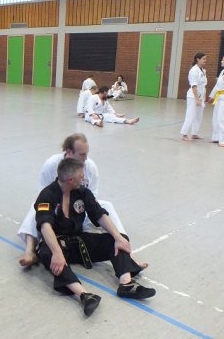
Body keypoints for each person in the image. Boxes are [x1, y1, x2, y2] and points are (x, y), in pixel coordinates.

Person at [34, 158, 155, 316]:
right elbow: (45, 226)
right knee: (46, 253)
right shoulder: (47, 196)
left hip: (77, 241)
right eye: (81, 176)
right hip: (56, 243)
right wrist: (57, 253)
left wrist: (118, 237)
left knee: (117, 239)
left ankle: (126, 284)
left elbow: (99, 214)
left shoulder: (83, 192)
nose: (83, 179)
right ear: (70, 180)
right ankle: (84, 295)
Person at [18, 133, 128, 267]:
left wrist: (80, 209)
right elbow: (42, 195)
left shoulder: (90, 166)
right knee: (36, 207)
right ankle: (30, 250)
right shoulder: (51, 164)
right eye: (82, 154)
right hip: (56, 209)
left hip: (80, 208)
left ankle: (122, 244)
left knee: (107, 206)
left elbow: (92, 195)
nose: (86, 158)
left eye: (87, 153)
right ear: (69, 152)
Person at [180, 52, 208, 141]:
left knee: (199, 116)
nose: (205, 60)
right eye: (203, 59)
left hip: (201, 95)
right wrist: (197, 99)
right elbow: (194, 86)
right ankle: (184, 134)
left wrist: (203, 97)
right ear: (198, 59)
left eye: (205, 59)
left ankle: (194, 133)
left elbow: (203, 85)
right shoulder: (194, 70)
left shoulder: (203, 70)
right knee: (190, 115)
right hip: (193, 96)